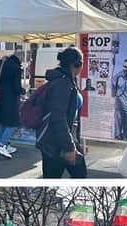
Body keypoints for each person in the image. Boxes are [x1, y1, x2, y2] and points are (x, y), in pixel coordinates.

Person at [38, 48, 88, 178]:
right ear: (76, 64)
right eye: (82, 63)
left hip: (64, 141)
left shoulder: (67, 80)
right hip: (57, 144)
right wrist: (69, 148)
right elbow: (58, 118)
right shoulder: (62, 84)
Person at [0, 48, 25, 159]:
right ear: (20, 57)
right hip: (9, 101)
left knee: (1, 123)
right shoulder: (16, 68)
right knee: (13, 123)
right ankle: (2, 144)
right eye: (23, 58)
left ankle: (5, 145)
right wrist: (23, 91)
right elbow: (16, 88)